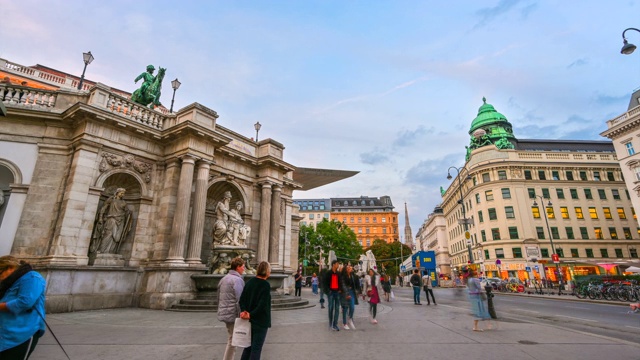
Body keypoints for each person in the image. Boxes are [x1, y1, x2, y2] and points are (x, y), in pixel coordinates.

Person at [0, 256, 46, 359]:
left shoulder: (32, 277)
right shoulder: (8, 283)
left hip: (22, 333)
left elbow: (25, 302)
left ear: (10, 267)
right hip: (5, 332)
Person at [239, 261, 272, 360]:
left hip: (248, 320)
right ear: (267, 271)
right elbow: (262, 305)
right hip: (260, 321)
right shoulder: (265, 285)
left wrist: (244, 311)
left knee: (248, 347)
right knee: (256, 348)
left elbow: (242, 300)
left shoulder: (250, 282)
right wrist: (251, 314)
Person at [217, 257, 245, 360]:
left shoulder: (224, 278)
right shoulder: (237, 280)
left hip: (225, 312)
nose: (244, 269)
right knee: (233, 341)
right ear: (238, 267)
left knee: (232, 339)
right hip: (233, 314)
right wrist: (242, 314)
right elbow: (240, 299)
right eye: (243, 267)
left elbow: (218, 296)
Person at [91, 188, 131, 254]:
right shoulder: (111, 200)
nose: (123, 195)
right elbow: (103, 209)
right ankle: (102, 250)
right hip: (111, 219)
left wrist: (129, 214)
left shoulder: (124, 203)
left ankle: (111, 252)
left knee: (116, 237)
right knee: (108, 234)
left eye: (123, 193)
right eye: (121, 193)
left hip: (121, 221)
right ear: (117, 192)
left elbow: (127, 212)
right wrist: (100, 218)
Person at [463, 267, 491, 331]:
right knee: (479, 311)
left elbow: (468, 289)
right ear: (474, 274)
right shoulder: (475, 280)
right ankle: (476, 327)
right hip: (477, 296)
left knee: (476, 311)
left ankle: (485, 325)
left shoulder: (468, 280)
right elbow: (479, 288)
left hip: (471, 296)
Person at [323, 260, 343, 331]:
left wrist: (340, 289)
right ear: (333, 265)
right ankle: (330, 323)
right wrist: (328, 291)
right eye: (337, 264)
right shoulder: (328, 273)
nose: (338, 265)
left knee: (337, 309)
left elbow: (340, 282)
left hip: (337, 292)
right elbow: (324, 283)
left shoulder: (338, 273)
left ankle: (335, 324)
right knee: (331, 308)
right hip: (331, 292)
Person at [341, 264, 360, 330]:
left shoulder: (352, 276)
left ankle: (350, 318)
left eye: (350, 267)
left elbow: (356, 285)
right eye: (348, 267)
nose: (350, 268)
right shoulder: (343, 276)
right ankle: (344, 323)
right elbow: (343, 286)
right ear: (346, 269)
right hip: (345, 293)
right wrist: (346, 294)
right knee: (345, 308)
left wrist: (357, 292)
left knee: (352, 307)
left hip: (351, 292)